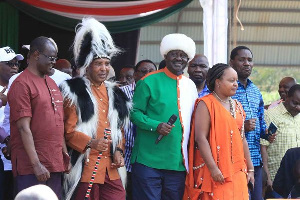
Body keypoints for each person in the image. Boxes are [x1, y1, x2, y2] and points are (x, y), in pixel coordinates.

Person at [61, 18, 131, 200]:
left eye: (107, 64)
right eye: (98, 64)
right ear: (88, 66)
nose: (104, 68)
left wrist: (119, 150)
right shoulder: (73, 91)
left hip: (111, 170)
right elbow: (67, 131)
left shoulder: (115, 93)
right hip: (85, 167)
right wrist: (91, 142)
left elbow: (119, 130)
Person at [130, 33, 198, 200]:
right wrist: (155, 125)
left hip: (177, 162)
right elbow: (133, 113)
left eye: (183, 55)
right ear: (165, 56)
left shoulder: (190, 85)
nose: (179, 59)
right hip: (148, 160)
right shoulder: (148, 81)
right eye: (174, 54)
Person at [7, 36, 68, 199]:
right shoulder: (22, 83)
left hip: (54, 163)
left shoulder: (52, 83)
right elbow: (22, 127)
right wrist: (36, 165)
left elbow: (58, 122)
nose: (54, 62)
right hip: (32, 167)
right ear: (35, 55)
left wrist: (63, 156)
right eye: (51, 57)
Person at [184, 63, 254, 200]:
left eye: (236, 80)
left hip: (238, 170)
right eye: (231, 80)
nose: (236, 84)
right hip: (216, 171)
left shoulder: (237, 105)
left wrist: (250, 169)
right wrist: (213, 168)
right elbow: (201, 138)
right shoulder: (205, 104)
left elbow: (242, 138)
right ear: (218, 82)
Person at [230, 46, 267, 200]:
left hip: (255, 160)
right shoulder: (227, 89)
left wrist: (267, 133)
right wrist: (241, 127)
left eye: (250, 60)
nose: (247, 63)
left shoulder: (255, 91)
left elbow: (261, 120)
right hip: (234, 161)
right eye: (242, 60)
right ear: (232, 63)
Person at [120, 59, 156, 200]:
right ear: (135, 75)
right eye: (143, 71)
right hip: (126, 155)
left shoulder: (158, 93)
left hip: (148, 155)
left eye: (151, 71)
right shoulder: (121, 93)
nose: (147, 74)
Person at [261, 84, 300, 197]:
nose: (298, 107)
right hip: (276, 179)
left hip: (296, 181)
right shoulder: (271, 116)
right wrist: (267, 176)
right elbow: (263, 146)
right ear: (286, 97)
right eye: (295, 103)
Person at [0, 46, 24, 200]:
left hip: (17, 159)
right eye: (9, 63)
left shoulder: (20, 88)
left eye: (16, 63)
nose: (14, 66)